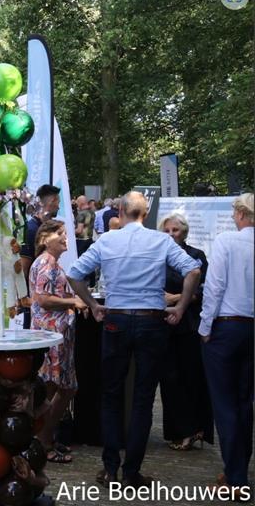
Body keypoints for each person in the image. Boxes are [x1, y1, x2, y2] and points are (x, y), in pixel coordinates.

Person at [66, 191, 201, 489]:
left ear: (122, 211)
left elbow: (74, 274)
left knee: (112, 394)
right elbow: (193, 270)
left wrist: (92, 304)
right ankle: (131, 473)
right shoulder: (161, 240)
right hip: (151, 321)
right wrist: (180, 306)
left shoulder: (107, 240)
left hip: (116, 318)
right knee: (142, 398)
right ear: (145, 212)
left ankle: (110, 467)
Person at [198, 193, 254, 496]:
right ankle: (237, 468)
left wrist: (205, 327)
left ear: (242, 214)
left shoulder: (227, 242)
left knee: (226, 404)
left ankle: (236, 478)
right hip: (249, 330)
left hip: (227, 327)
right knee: (245, 403)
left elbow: (215, 287)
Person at [30, 220, 87, 463]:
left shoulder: (53, 263)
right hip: (50, 334)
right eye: (60, 234)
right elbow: (43, 299)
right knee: (54, 389)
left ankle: (46, 438)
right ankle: (41, 442)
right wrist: (73, 302)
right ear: (45, 239)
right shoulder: (45, 263)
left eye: (66, 233)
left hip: (60, 334)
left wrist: (73, 299)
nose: (66, 237)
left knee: (66, 388)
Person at [157, 212, 213, 452]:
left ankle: (194, 429)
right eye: (167, 231)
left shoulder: (196, 256)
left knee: (191, 377)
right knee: (169, 379)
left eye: (175, 230)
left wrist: (178, 297)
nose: (171, 234)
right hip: (164, 323)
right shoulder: (158, 256)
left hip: (188, 324)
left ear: (184, 232)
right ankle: (179, 430)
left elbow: (204, 288)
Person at [21, 184, 61, 328]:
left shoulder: (48, 228)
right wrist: (26, 299)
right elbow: (23, 268)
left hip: (47, 299)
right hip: (35, 301)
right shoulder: (31, 229)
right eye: (58, 202)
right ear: (51, 202)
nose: (59, 207)